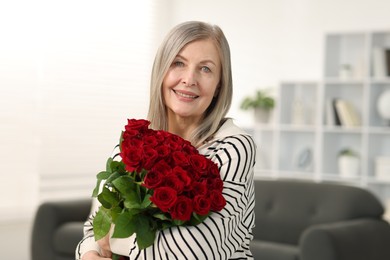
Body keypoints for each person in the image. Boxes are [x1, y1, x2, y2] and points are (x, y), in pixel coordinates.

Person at [76, 20, 256, 260]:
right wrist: (88, 254)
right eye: (178, 63)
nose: (189, 79)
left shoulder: (234, 147)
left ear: (219, 83)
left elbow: (195, 252)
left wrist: (115, 239)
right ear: (161, 70)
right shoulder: (133, 145)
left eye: (205, 69)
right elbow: (93, 228)